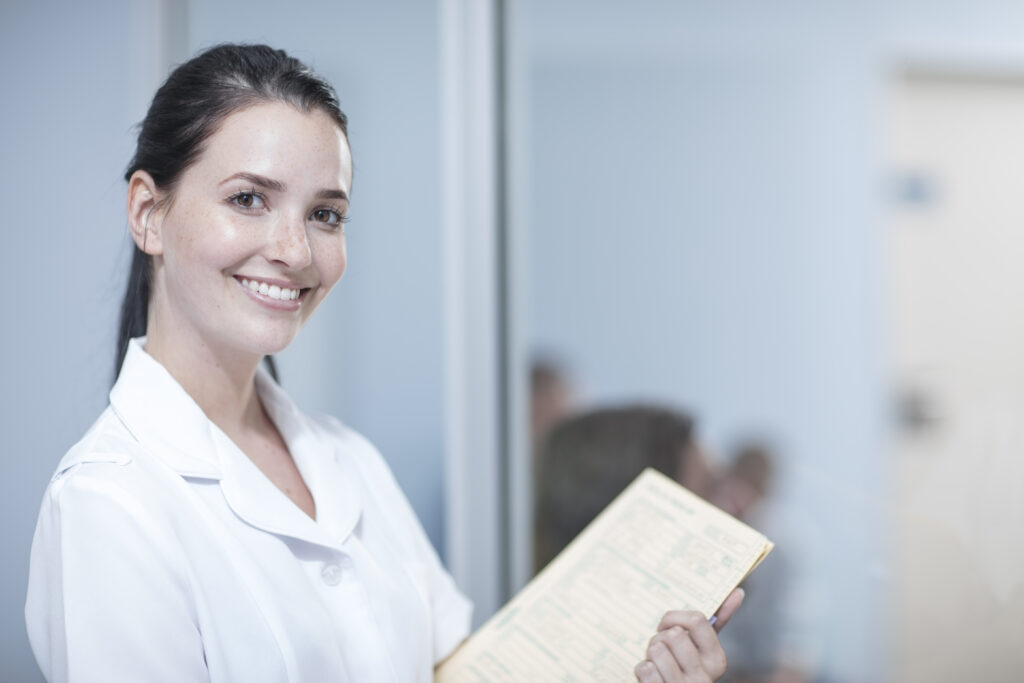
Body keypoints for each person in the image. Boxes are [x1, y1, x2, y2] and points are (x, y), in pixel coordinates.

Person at [25, 43, 741, 683]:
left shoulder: (348, 459)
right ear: (148, 212)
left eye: (325, 214)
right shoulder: (109, 504)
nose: (296, 251)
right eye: (248, 199)